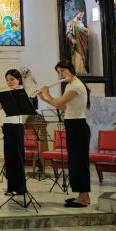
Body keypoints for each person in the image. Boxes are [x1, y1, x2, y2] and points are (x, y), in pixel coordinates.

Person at [38, 60, 91, 208]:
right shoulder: (69, 85)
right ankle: (83, 196)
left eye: (63, 71)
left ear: (71, 69)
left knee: (79, 163)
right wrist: (44, 98)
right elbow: (64, 108)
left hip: (78, 127)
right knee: (75, 162)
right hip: (72, 125)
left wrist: (47, 95)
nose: (60, 74)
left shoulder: (76, 86)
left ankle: (83, 198)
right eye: (58, 72)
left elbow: (58, 103)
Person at [0, 69, 29, 197]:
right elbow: (0, 105)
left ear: (19, 79)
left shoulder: (20, 92)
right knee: (9, 158)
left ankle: (20, 188)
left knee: (17, 159)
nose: (9, 82)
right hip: (8, 126)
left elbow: (1, 105)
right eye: (7, 80)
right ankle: (11, 187)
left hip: (17, 127)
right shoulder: (10, 92)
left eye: (12, 79)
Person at [66, 10, 89, 74]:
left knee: (82, 57)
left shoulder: (81, 23)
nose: (81, 16)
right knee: (77, 56)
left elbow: (85, 32)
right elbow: (68, 33)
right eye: (80, 14)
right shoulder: (71, 23)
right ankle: (77, 70)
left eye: (82, 15)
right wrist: (72, 39)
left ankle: (81, 70)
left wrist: (87, 31)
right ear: (77, 14)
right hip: (75, 44)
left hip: (82, 44)